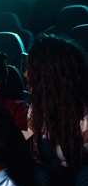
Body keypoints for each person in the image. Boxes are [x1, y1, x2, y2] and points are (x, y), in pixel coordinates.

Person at [25, 34, 88, 168]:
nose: (25, 74)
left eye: (31, 69)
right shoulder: (36, 109)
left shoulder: (84, 117)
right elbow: (29, 139)